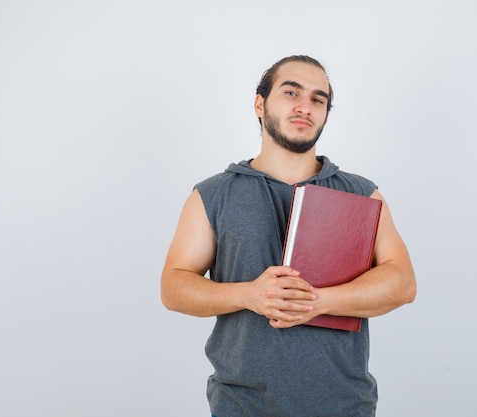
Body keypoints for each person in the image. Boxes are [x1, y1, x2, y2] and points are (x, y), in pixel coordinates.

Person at [161, 55, 416, 417]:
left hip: (345, 406)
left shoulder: (362, 193)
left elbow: (402, 282)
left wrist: (315, 302)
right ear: (259, 104)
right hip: (241, 406)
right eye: (291, 92)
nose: (305, 107)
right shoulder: (212, 194)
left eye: (318, 99)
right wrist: (250, 294)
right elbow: (173, 288)